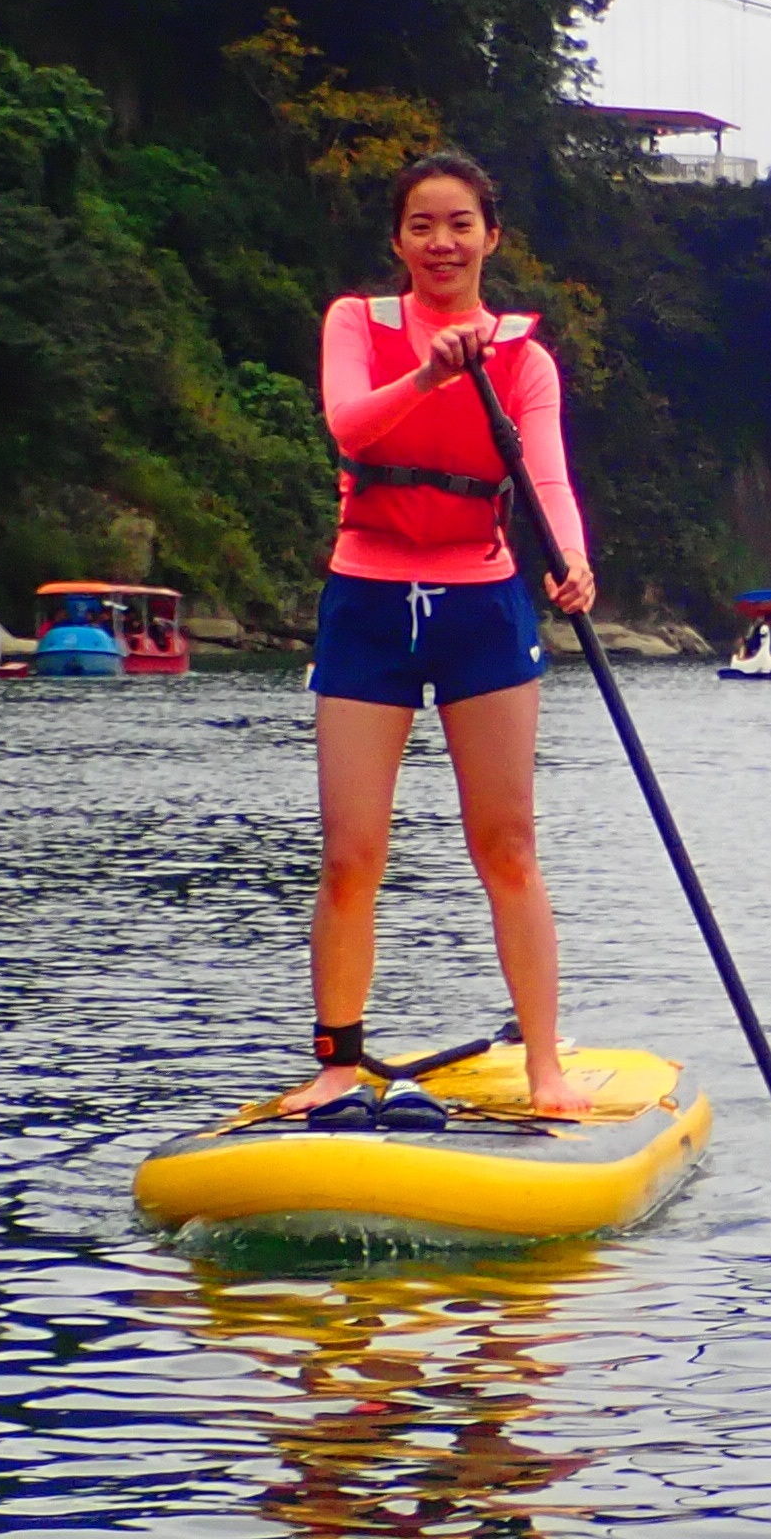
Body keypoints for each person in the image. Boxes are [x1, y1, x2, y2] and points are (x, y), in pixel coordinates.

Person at [282, 152, 600, 1122]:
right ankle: (338, 1063)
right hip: (369, 598)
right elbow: (350, 428)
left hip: (480, 603)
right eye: (421, 225)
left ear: (491, 237)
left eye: (460, 224)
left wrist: (571, 559)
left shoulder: (524, 360)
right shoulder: (356, 324)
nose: (441, 243)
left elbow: (546, 478)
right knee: (352, 852)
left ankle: (544, 1065)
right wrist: (429, 373)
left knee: (507, 845)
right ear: (398, 239)